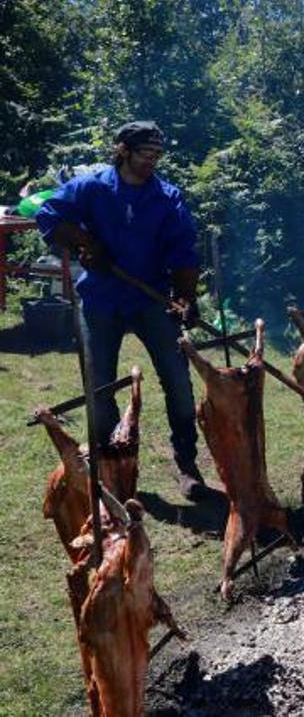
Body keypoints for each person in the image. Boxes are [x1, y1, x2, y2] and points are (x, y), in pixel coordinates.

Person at [35, 121, 206, 499]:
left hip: (150, 298)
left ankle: (186, 463)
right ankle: (114, 466)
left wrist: (186, 296)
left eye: (157, 155)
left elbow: (183, 250)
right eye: (146, 153)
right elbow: (47, 213)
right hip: (101, 297)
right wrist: (85, 241)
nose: (152, 162)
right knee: (100, 387)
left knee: (178, 381)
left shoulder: (167, 197)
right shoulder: (92, 187)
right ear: (123, 150)